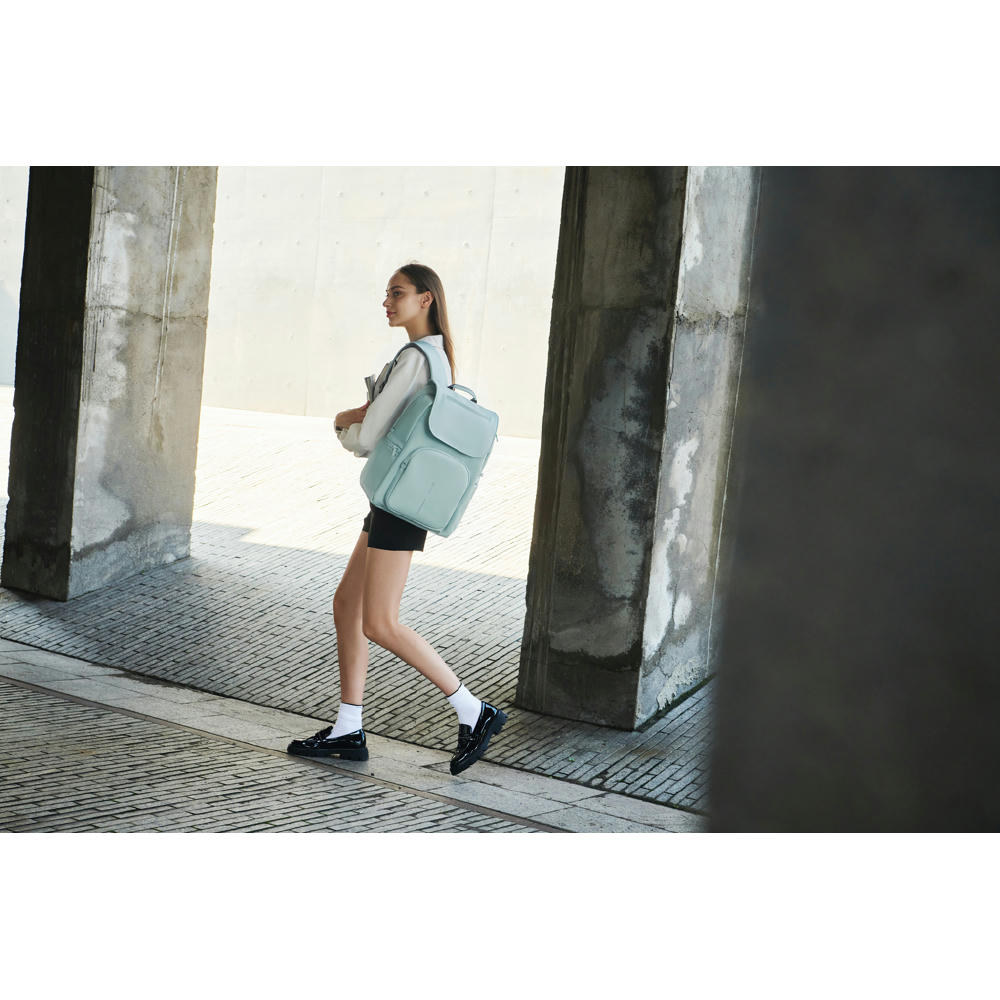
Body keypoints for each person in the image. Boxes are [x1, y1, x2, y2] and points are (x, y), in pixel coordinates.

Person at [287, 263, 507, 776]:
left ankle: (473, 710)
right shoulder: (437, 357)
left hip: (398, 504)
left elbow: (368, 436)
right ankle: (348, 728)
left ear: (426, 299)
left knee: (380, 622)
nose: (386, 302)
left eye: (397, 293)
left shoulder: (414, 358)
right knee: (347, 604)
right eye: (387, 293)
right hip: (399, 497)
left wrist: (342, 421)